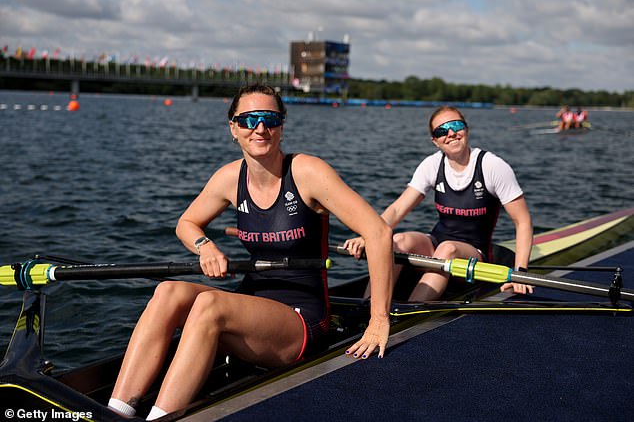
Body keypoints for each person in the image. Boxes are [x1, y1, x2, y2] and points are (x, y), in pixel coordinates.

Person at [107, 84, 394, 420]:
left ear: (282, 126)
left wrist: (378, 320)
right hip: (251, 308)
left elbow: (378, 232)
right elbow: (186, 223)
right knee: (168, 291)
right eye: (249, 120)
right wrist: (205, 246)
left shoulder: (307, 172)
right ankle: (117, 411)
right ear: (233, 127)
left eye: (270, 119)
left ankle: (161, 417)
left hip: (302, 321)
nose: (260, 128)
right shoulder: (229, 178)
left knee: (209, 304)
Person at [344, 106, 533, 302]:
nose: (451, 133)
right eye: (441, 131)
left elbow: (523, 222)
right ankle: (368, 308)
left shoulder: (492, 166)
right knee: (398, 240)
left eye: (456, 126)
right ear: (435, 141)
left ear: (466, 129)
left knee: (447, 249)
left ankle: (411, 312)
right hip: (436, 243)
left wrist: (521, 272)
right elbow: (397, 208)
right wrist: (368, 236)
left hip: (475, 252)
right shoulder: (432, 165)